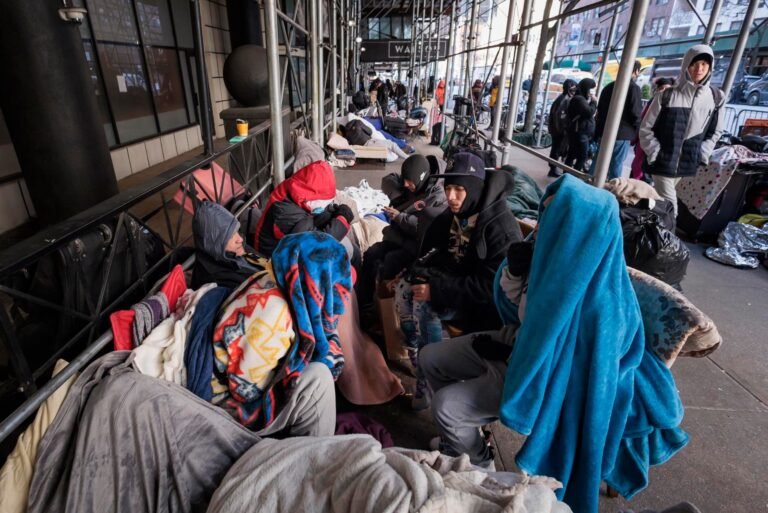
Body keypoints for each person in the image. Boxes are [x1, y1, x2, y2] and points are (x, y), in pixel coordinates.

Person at [395, 153, 522, 409]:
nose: (451, 196)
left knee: (426, 306)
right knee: (404, 289)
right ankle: (417, 356)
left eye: (459, 189)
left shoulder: (501, 229)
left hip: (484, 306)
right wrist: (418, 272)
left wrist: (436, 289)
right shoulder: (455, 213)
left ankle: (429, 380)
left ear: (473, 189)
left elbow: (491, 288)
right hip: (455, 285)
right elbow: (431, 252)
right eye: (448, 188)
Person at [420, 239, 531, 469]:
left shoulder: (580, 272)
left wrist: (438, 289)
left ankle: (481, 462)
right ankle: (458, 436)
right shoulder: (545, 246)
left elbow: (483, 288)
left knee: (444, 406)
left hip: (531, 370)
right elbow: (516, 300)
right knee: (429, 357)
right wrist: (514, 273)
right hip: (515, 340)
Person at [639, 44, 724, 216]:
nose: (699, 69)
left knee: (660, 202)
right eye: (695, 64)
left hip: (687, 161)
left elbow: (715, 131)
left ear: (710, 67)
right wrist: (655, 152)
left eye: (704, 64)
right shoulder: (666, 95)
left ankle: (648, 227)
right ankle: (668, 232)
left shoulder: (716, 98)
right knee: (671, 207)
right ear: (686, 65)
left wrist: (702, 152)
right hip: (662, 161)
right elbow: (646, 127)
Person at [358, 154, 447, 309]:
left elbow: (424, 228)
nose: (406, 184)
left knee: (391, 261)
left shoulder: (437, 196)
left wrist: (400, 217)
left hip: (417, 245)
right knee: (371, 253)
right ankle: (364, 301)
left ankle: (385, 306)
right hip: (398, 237)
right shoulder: (410, 185)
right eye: (405, 180)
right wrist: (398, 197)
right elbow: (388, 180)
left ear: (421, 177)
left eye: (409, 181)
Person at [253, 160, 355, 257]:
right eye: (324, 203)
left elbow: (317, 214)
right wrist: (342, 219)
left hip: (293, 244)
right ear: (310, 198)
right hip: (274, 257)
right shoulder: (285, 211)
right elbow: (319, 243)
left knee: (352, 249)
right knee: (344, 251)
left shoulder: (298, 191)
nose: (325, 206)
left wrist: (334, 213)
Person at [592, 60, 643, 180]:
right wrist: (637, 130)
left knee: (598, 163)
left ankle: (589, 184)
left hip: (605, 131)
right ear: (636, 71)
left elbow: (600, 110)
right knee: (616, 164)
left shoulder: (608, 87)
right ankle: (612, 189)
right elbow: (636, 113)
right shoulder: (633, 88)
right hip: (622, 134)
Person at [191, 201, 260, 289]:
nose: (240, 239)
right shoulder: (215, 285)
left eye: (237, 231)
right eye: (230, 236)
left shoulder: (236, 251)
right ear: (214, 245)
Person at [631, 77, 675, 181]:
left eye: (667, 89)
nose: (663, 91)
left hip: (657, 145)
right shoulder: (652, 102)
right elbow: (642, 122)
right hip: (644, 142)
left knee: (646, 172)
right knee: (638, 167)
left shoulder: (672, 105)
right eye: (661, 88)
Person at [563, 78, 597, 173]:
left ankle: (567, 175)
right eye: (590, 89)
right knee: (582, 156)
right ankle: (573, 176)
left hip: (578, 132)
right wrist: (594, 102)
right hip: (580, 133)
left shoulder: (580, 98)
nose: (591, 92)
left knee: (572, 154)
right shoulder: (579, 99)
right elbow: (589, 112)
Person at [546, 79, 577, 177]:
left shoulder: (564, 97)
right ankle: (553, 169)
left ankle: (553, 168)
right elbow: (558, 116)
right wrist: (561, 129)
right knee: (556, 149)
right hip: (559, 130)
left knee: (557, 148)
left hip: (558, 129)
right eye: (573, 88)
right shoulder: (564, 99)